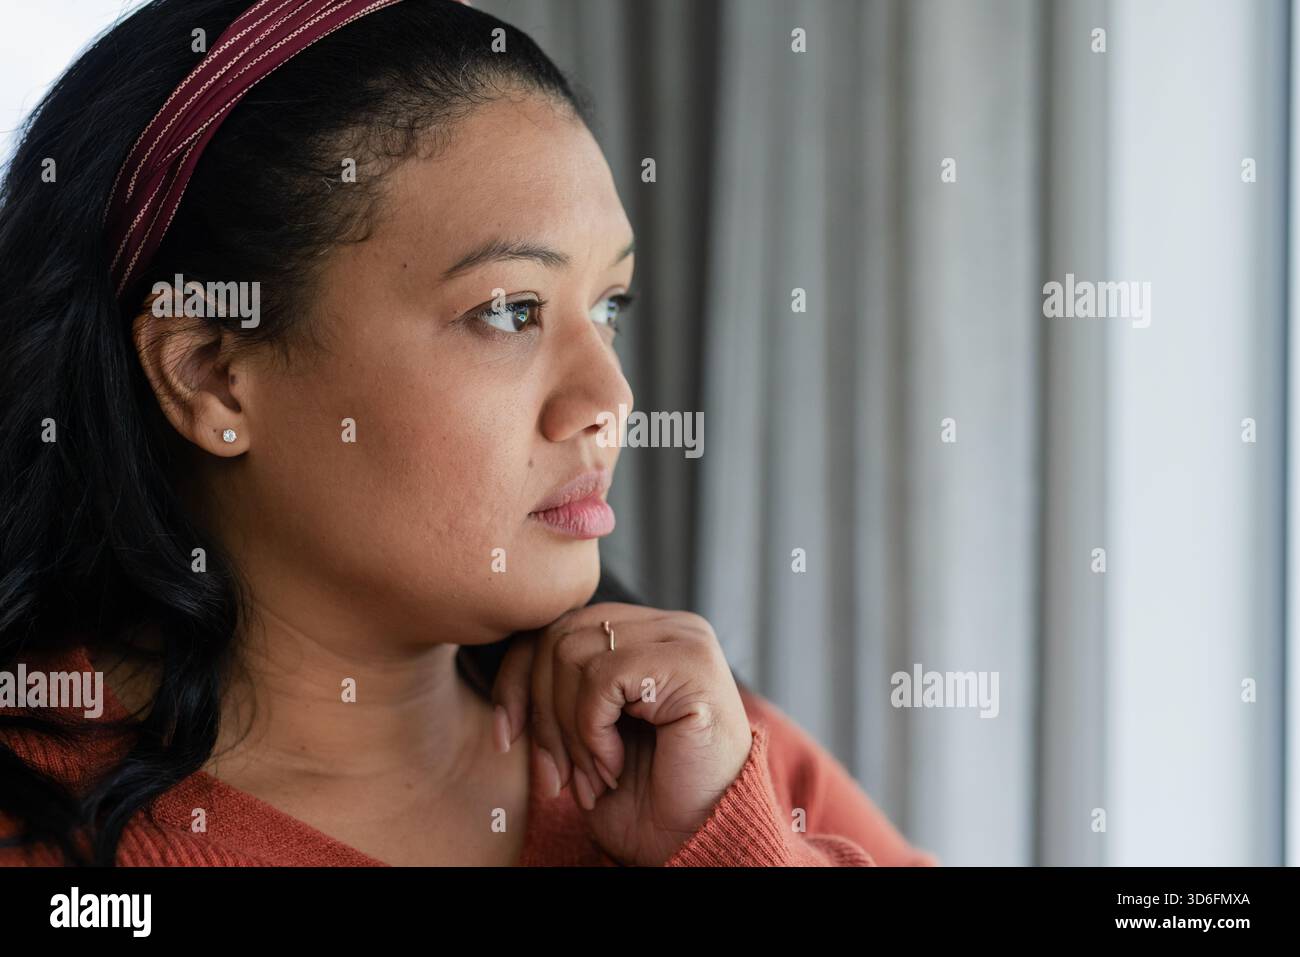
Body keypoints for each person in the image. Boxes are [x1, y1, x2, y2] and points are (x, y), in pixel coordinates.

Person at [0, 0, 937, 868]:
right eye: (508, 311)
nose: (611, 400)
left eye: (609, 305)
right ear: (208, 373)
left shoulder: (722, 764)